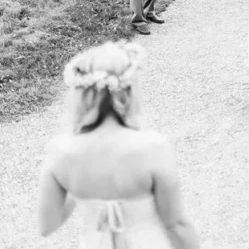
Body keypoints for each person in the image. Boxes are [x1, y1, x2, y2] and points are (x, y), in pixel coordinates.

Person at [36, 42, 200, 248]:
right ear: (127, 92)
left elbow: (47, 225)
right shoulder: (153, 148)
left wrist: (80, 191)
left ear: (80, 94)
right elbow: (176, 225)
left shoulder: (60, 151)